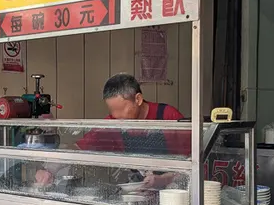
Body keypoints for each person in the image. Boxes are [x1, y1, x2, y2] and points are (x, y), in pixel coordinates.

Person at [35, 73, 187, 189]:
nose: (117, 116)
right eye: (113, 111)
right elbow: (77, 149)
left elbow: (192, 166)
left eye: (121, 109)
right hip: (138, 195)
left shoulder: (168, 117)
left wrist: (164, 179)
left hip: (173, 196)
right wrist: (48, 170)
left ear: (138, 99)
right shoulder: (113, 124)